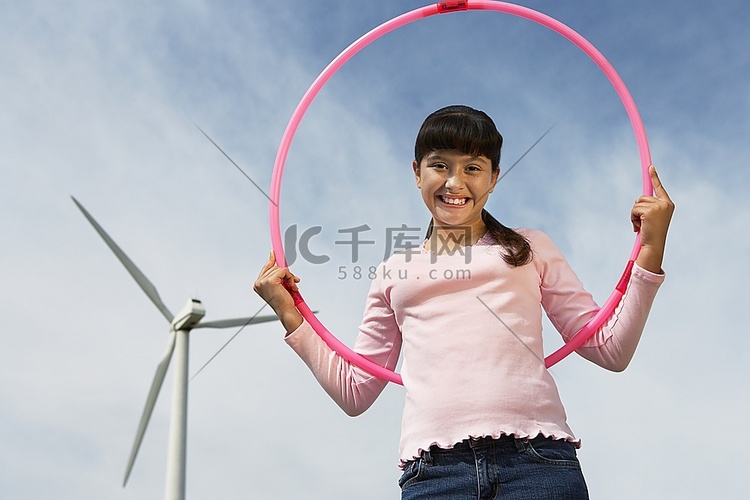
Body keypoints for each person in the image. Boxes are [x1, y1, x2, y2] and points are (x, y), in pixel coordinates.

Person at [254, 105, 674, 499]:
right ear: (417, 172)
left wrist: (651, 246)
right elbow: (355, 390)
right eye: (440, 165)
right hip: (436, 475)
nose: (455, 183)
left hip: (539, 462)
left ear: (493, 178)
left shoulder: (530, 248)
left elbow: (610, 348)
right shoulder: (394, 271)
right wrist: (288, 312)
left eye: (473, 168)